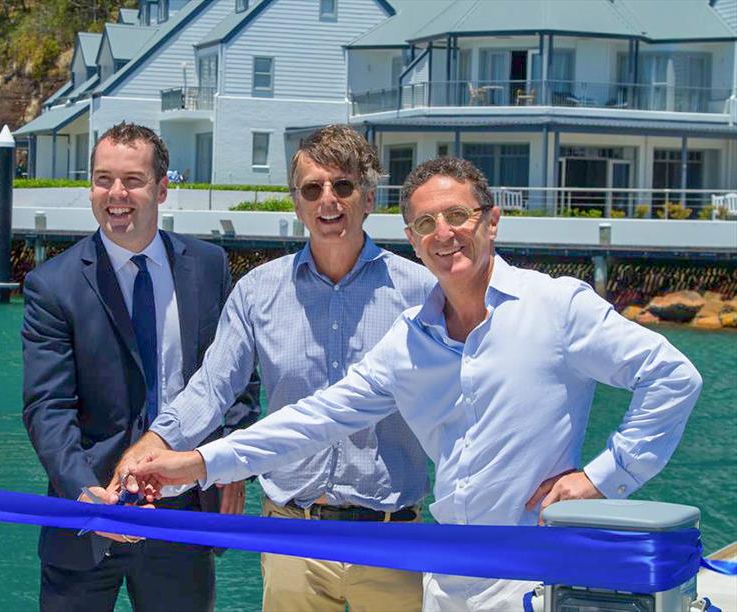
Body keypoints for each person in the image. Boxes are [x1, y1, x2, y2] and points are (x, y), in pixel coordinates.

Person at [130, 156, 702, 611]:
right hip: (445, 576)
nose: (444, 234)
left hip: (536, 567)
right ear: (411, 235)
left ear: (492, 219)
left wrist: (602, 478)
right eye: (427, 224)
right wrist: (197, 464)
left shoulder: (555, 306)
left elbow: (672, 379)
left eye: (458, 216)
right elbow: (315, 418)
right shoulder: (409, 342)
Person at [116, 124, 436, 611]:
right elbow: (211, 388)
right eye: (313, 189)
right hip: (291, 533)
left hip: (393, 538)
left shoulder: (422, 292)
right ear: (296, 203)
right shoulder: (257, 292)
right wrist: (153, 445)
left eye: (343, 186)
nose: (328, 200)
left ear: (368, 199)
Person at [21, 122, 259, 612]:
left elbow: (238, 381)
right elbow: (48, 408)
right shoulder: (52, 286)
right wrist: (84, 493)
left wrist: (228, 466)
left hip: (184, 512)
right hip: (87, 515)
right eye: (103, 179)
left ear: (163, 188)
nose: (116, 194)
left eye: (132, 180)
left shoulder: (209, 267)